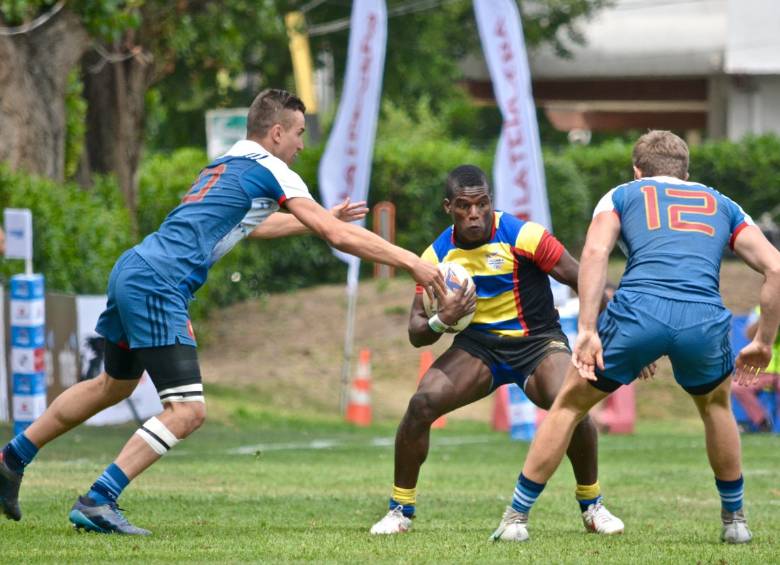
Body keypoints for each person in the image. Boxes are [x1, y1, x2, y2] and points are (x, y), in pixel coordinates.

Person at [0, 88, 445, 535]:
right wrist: (412, 262)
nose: (301, 145)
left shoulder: (229, 162)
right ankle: (99, 499)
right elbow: (338, 237)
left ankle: (11, 458)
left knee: (111, 386)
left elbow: (253, 226)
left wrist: (319, 219)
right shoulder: (273, 169)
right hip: (160, 282)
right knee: (187, 411)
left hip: (134, 268)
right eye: (298, 133)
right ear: (276, 133)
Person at [495, 130, 780, 544]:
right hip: (702, 318)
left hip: (637, 312)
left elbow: (595, 254)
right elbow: (776, 267)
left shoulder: (622, 195)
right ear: (686, 173)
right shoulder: (724, 203)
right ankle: (735, 521)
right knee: (716, 408)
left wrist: (587, 329)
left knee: (569, 406)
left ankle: (516, 517)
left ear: (637, 171)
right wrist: (763, 342)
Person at [370, 164, 630, 540]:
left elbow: (583, 278)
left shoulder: (524, 236)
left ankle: (592, 505)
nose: (474, 214)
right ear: (448, 207)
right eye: (464, 206)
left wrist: (626, 333)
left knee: (570, 400)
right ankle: (400, 509)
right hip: (478, 348)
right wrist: (443, 320)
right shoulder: (436, 256)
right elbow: (416, 332)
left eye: (482, 203)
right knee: (421, 404)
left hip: (537, 342)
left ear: (491, 201)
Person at [731, 306, 780, 432]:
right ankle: (762, 422)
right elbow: (749, 334)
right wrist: (766, 318)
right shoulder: (760, 310)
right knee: (737, 386)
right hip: (762, 370)